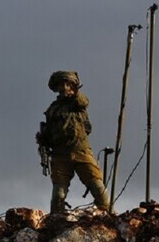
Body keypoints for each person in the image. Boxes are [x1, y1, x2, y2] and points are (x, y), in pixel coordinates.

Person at [36, 71, 110, 213]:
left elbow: (83, 101)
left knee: (99, 190)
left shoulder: (77, 102)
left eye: (67, 84)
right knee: (58, 196)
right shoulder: (53, 109)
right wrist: (42, 140)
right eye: (61, 85)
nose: (64, 87)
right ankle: (56, 221)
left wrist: (75, 93)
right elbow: (49, 133)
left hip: (81, 151)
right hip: (60, 156)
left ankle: (107, 218)